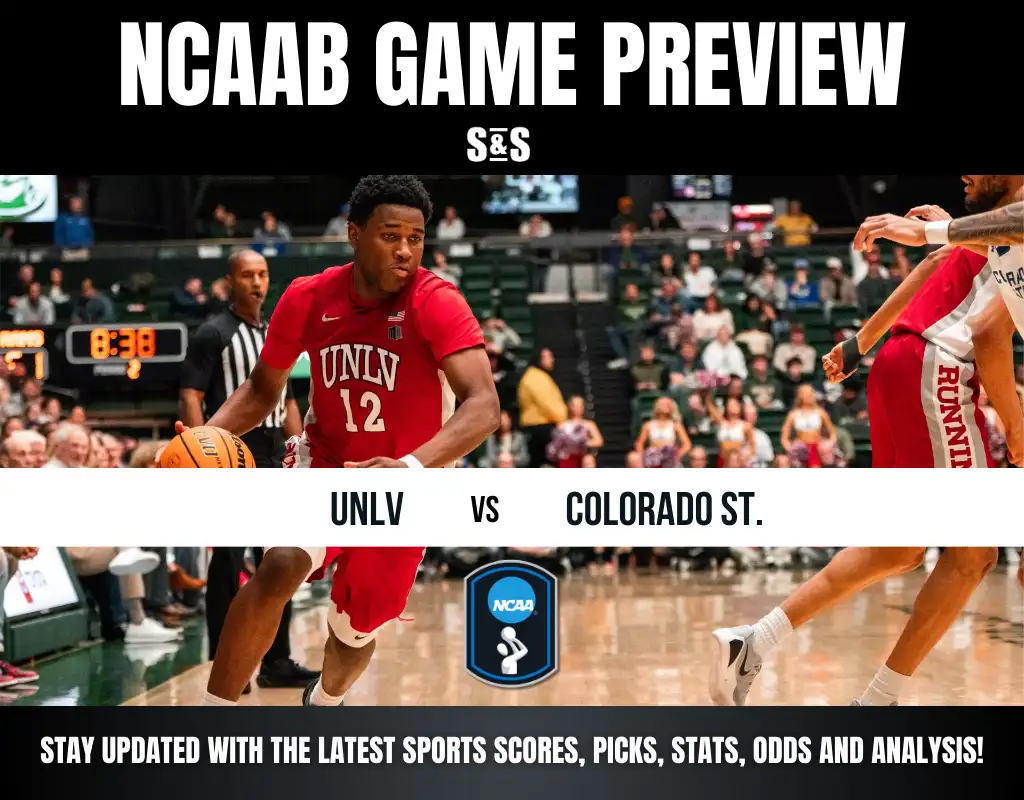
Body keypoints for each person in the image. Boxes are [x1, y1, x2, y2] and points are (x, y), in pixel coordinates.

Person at [179, 175, 500, 707]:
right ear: (353, 232)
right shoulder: (308, 297)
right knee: (280, 562)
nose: (404, 250)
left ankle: (325, 704)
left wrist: (412, 467)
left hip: (408, 480)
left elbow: (484, 405)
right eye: (390, 235)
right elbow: (262, 390)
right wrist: (204, 438)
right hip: (325, 461)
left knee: (356, 627)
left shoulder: (437, 301)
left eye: (415, 238)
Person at [708, 228, 1023, 709]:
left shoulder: (992, 223)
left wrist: (861, 343)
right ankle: (878, 702)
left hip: (897, 362)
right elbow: (986, 332)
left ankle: (753, 641)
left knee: (897, 548)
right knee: (972, 555)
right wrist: (1017, 430)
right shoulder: (1012, 228)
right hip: (936, 367)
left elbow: (931, 263)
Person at [178, 249, 313, 691]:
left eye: (262, 275)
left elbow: (289, 399)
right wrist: (203, 452)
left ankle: (277, 661)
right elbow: (192, 394)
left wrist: (299, 449)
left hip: (275, 454)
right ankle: (225, 660)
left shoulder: (276, 333)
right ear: (230, 281)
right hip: (232, 451)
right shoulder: (212, 332)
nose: (256, 283)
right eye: (247, 275)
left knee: (282, 556)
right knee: (229, 560)